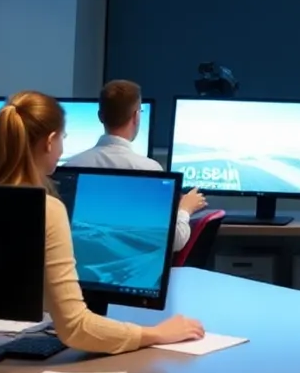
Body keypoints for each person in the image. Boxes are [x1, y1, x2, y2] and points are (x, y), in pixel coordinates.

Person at [0, 90, 205, 354]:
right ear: (50, 142)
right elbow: (75, 327)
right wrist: (156, 333)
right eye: (63, 137)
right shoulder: (46, 209)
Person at [63, 79, 208, 251]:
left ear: (100, 116)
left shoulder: (69, 168)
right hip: (134, 274)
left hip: (81, 272)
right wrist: (185, 209)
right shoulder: (149, 171)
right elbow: (174, 242)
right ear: (136, 116)